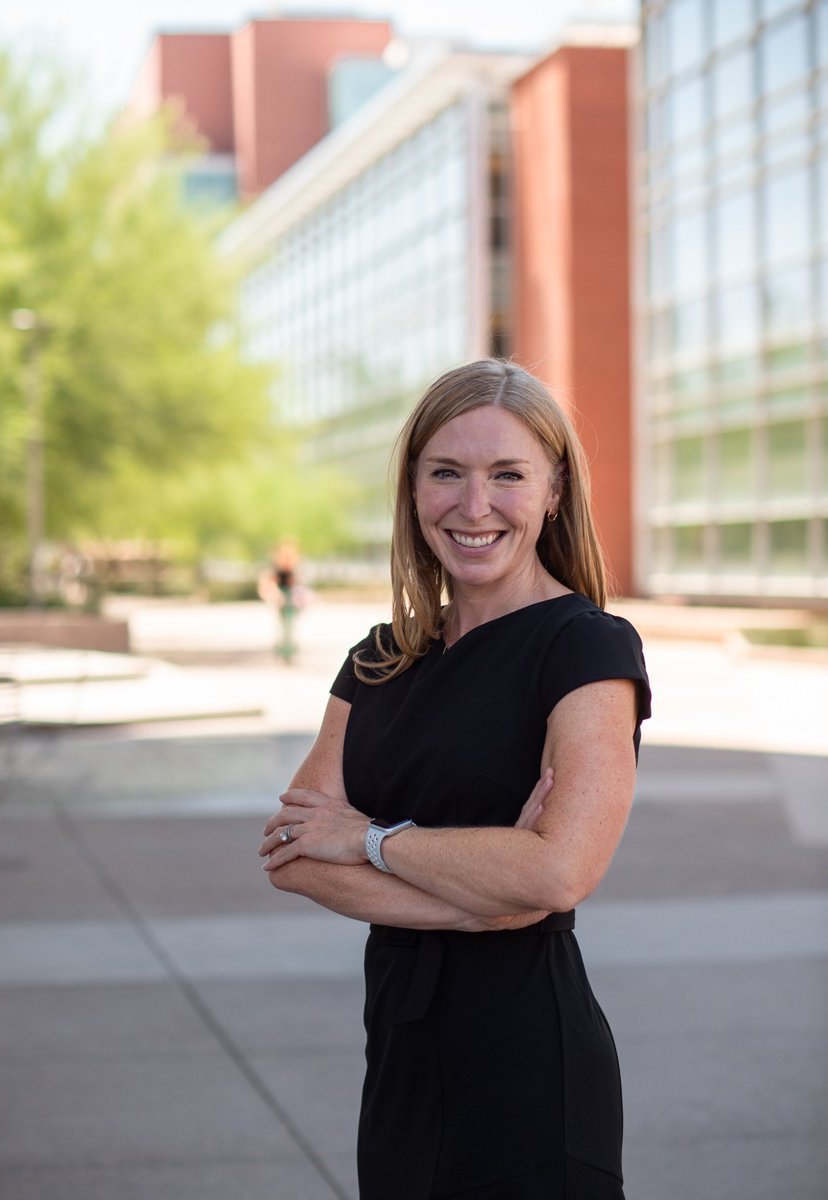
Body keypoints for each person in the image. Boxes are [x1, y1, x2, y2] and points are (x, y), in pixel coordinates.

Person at [259, 360, 651, 1200]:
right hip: (398, 1057)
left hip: (529, 1070)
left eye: (507, 475)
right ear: (411, 490)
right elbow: (294, 853)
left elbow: (558, 872)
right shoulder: (379, 656)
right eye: (447, 473)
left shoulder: (586, 649)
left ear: (552, 492)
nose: (475, 507)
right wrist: (490, 897)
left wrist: (368, 839)